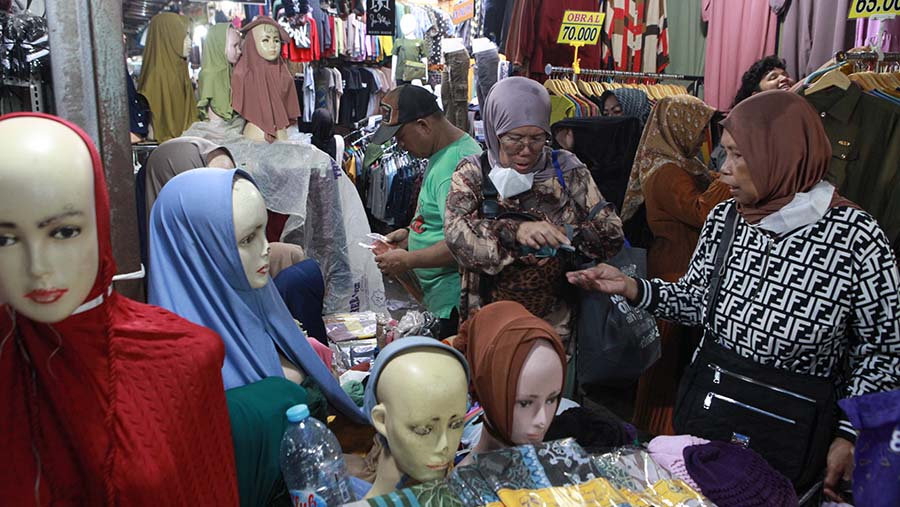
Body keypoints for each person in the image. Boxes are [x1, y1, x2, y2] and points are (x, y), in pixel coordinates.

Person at [568, 91, 900, 502]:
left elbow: (881, 351)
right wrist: (633, 287)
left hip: (798, 432)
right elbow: (695, 300)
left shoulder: (857, 238)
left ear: (781, 155)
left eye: (739, 156)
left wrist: (851, 434)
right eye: (724, 154)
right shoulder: (727, 218)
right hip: (716, 409)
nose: (724, 170)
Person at [0, 113, 239, 505]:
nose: (36, 265)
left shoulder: (184, 359)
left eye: (63, 231)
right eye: (5, 238)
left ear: (99, 218)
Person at [148, 168, 367, 425]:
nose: (265, 248)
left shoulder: (259, 305)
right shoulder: (180, 365)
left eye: (263, 231)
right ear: (197, 249)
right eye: (247, 239)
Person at [444, 77, 624, 343]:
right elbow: (457, 237)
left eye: (537, 138)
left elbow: (612, 233)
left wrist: (564, 234)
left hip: (557, 329)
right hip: (490, 325)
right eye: (514, 138)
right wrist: (516, 232)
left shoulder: (567, 170)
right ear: (495, 132)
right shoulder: (473, 173)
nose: (526, 150)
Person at [619, 95, 732, 435]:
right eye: (696, 129)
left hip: (677, 266)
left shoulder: (679, 165)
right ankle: (657, 430)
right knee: (665, 361)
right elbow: (702, 211)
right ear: (677, 128)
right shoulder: (667, 172)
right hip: (673, 271)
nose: (701, 138)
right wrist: (730, 177)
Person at [369, 85, 482, 338]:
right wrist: (411, 234)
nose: (400, 145)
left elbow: (464, 245)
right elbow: (442, 223)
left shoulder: (454, 166)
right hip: (438, 298)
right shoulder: (442, 152)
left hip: (452, 304)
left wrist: (407, 260)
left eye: (401, 136)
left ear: (423, 126)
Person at [453, 301, 567, 466]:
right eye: (525, 403)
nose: (541, 420)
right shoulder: (459, 487)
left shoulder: (566, 466)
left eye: (551, 399)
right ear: (489, 390)